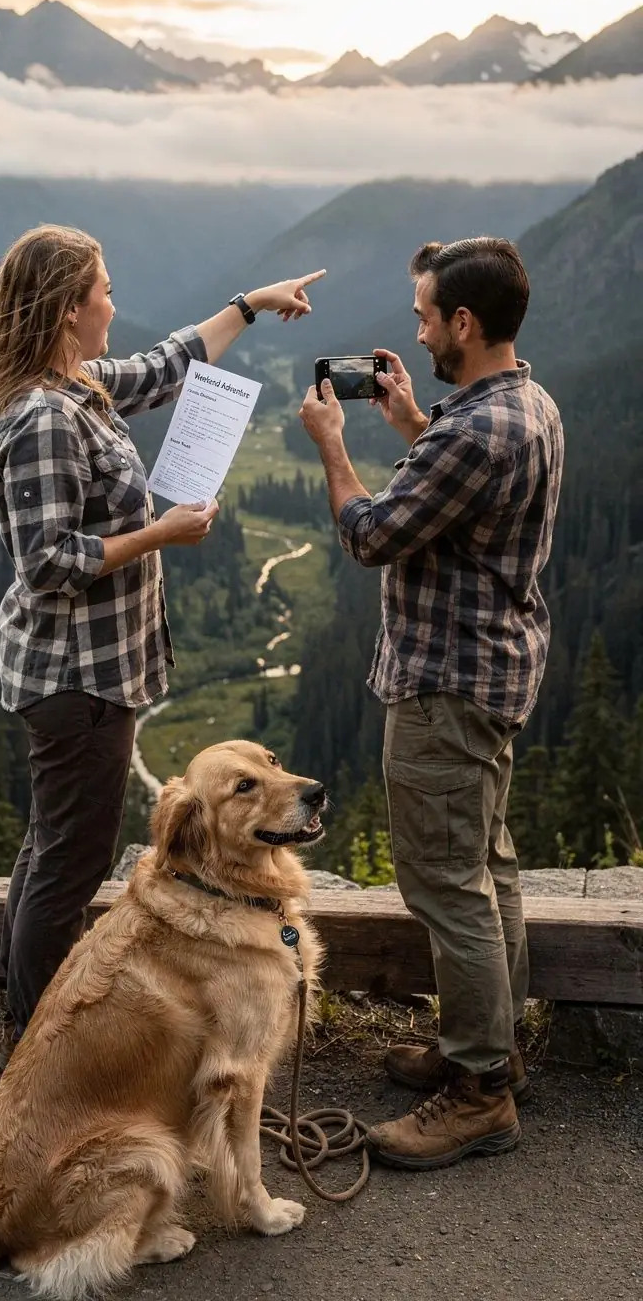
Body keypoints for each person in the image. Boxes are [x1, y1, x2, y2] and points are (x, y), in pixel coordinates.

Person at [0, 224, 324, 1071]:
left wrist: (248, 307)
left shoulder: (72, 383)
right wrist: (160, 533)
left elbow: (165, 364)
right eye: (104, 291)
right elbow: (47, 562)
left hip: (92, 670)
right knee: (69, 866)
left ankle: (26, 1025)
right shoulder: (45, 415)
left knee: (50, 846)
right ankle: (38, 1049)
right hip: (77, 678)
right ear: (67, 309)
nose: (114, 304)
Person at [299, 237, 564, 1170]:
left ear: (464, 322)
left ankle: (480, 1092)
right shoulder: (525, 405)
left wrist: (335, 448)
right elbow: (466, 500)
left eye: (424, 317)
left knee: (447, 887)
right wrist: (414, 422)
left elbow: (371, 534)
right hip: (496, 676)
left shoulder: (473, 432)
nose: (415, 331)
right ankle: (489, 1048)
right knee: (487, 870)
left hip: (445, 685)